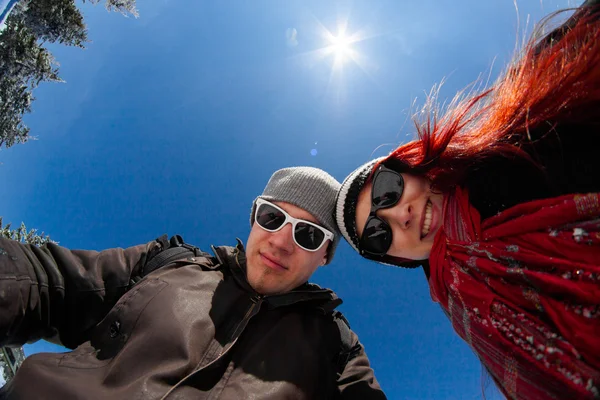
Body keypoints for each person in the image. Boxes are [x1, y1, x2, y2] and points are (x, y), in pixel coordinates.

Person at [335, 1, 600, 399]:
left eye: (387, 190)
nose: (399, 215)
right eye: (377, 234)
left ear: (411, 165)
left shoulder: (530, 117)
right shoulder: (473, 315)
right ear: (398, 259)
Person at [0, 167, 386, 399]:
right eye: (272, 218)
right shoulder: (167, 262)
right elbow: (46, 281)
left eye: (309, 235)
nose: (281, 240)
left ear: (324, 256)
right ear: (253, 219)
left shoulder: (337, 349)